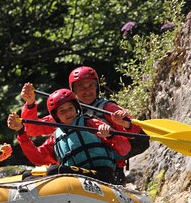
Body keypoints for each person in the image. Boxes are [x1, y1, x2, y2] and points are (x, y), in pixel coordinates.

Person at [19, 66, 149, 184]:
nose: (87, 91)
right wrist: (30, 104)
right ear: (73, 90)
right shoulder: (65, 113)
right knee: (28, 175)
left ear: (97, 87)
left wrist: (124, 123)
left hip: (109, 170)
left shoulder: (108, 108)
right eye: (81, 87)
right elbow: (31, 129)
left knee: (54, 170)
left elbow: (136, 133)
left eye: (90, 86)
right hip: (75, 170)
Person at [7, 88, 130, 184]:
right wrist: (21, 132)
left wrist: (109, 136)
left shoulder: (91, 123)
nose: (68, 113)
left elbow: (125, 149)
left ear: (76, 108)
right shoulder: (56, 137)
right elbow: (38, 158)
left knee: (54, 170)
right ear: (56, 116)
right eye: (62, 111)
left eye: (70, 108)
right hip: (75, 179)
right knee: (28, 175)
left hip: (102, 176)